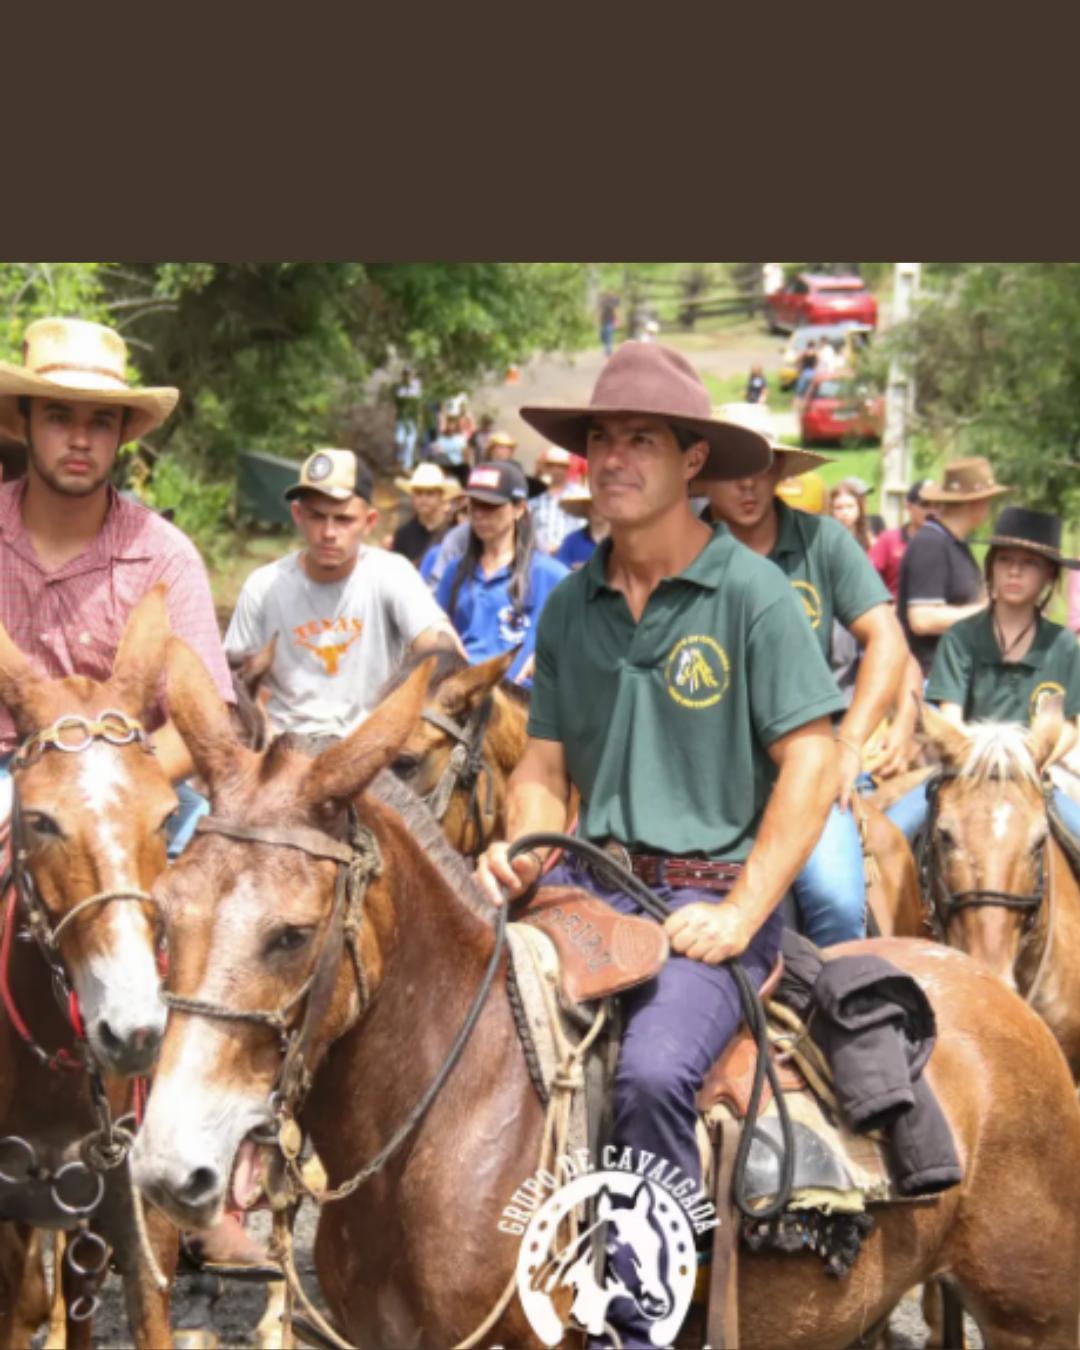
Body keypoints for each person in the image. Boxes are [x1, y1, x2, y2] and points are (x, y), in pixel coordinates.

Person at [475, 342, 842, 1350]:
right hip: (587, 890)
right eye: (602, 437)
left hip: (711, 899)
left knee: (650, 1074)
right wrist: (524, 846)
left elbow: (813, 764)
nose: (614, 456)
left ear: (694, 460)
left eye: (642, 439)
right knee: (459, 1024)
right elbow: (542, 763)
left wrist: (742, 911)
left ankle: (645, 1328)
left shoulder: (752, 594)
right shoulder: (568, 603)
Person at [0, 315, 260, 1266]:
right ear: (26, 423)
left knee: (221, 929)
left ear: (122, 437)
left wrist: (119, 780)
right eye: (60, 416)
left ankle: (211, 1166)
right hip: (6, 773)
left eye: (100, 421)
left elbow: (203, 719)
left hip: (137, 781)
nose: (80, 438)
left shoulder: (163, 553)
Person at [704, 404, 910, 945]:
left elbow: (886, 637)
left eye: (761, 466)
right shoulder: (680, 547)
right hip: (702, 773)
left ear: (779, 470)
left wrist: (850, 743)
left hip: (808, 765)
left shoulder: (823, 541)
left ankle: (841, 995)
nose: (748, 483)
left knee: (836, 902)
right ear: (703, 474)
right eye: (732, 468)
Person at [225, 449, 459, 745]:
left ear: (369, 522)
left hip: (366, 749)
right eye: (316, 516)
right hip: (284, 748)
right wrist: (260, 729)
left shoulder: (391, 574)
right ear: (298, 515)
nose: (328, 532)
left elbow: (444, 651)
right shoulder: (264, 586)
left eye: (343, 519)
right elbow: (231, 681)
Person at [886, 507, 1080, 843]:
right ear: (991, 566)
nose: (1014, 571)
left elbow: (1068, 726)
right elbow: (950, 717)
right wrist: (982, 760)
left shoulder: (1062, 644)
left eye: (1029, 563)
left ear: (1049, 574)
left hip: (1038, 770)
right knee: (891, 833)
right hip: (966, 767)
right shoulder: (961, 637)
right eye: (1005, 560)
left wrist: (1034, 760)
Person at [435, 460, 567, 686]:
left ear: (519, 508)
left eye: (490, 505)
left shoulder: (550, 576)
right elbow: (439, 635)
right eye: (474, 505)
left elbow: (579, 638)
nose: (479, 514)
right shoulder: (455, 572)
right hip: (460, 695)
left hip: (518, 698)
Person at [897, 457, 1009, 679]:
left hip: (953, 672)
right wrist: (989, 610)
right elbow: (922, 619)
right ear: (976, 503)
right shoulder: (930, 544)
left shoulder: (954, 543)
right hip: (929, 675)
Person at [869, 480, 931, 599]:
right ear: (908, 506)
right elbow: (868, 578)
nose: (931, 511)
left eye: (937, 505)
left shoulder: (947, 542)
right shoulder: (889, 539)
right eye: (925, 505)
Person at [390, 463, 458, 565]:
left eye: (430, 493)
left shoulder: (455, 535)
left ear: (441, 496)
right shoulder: (403, 534)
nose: (423, 499)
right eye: (418, 493)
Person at [529, 445, 577, 555]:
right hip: (540, 555)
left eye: (561, 466)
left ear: (567, 468)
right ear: (545, 467)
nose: (556, 469)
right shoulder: (536, 497)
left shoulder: (579, 495)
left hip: (569, 556)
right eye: (551, 465)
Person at [553, 482, 609, 570]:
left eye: (601, 505)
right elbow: (558, 566)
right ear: (587, 510)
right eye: (592, 506)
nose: (597, 510)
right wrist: (575, 567)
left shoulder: (620, 540)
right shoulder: (572, 539)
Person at [393, 365, 423, 472]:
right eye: (405, 374)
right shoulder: (399, 388)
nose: (407, 376)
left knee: (410, 443)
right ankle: (399, 459)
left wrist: (419, 418)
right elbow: (397, 402)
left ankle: (407, 465)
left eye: (409, 374)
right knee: (399, 440)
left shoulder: (416, 388)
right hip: (401, 419)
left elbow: (418, 405)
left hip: (411, 419)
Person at [829, 479, 872, 552]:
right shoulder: (826, 539)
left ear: (859, 508)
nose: (845, 512)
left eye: (850, 506)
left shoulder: (869, 538)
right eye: (838, 508)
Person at [598, 292, 619, 356]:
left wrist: (617, 320)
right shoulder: (604, 304)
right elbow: (601, 312)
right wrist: (598, 319)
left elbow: (615, 312)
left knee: (608, 336)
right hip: (604, 322)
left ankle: (608, 350)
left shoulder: (611, 304)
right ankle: (607, 350)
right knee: (603, 336)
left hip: (609, 321)